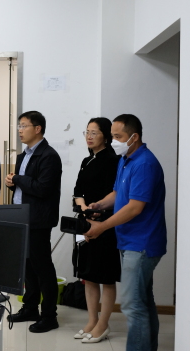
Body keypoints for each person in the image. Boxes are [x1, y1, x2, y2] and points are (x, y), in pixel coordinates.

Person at [85, 114, 167, 351]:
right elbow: (117, 194)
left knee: (132, 305)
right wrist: (99, 205)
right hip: (129, 241)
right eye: (112, 136)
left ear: (134, 137)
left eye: (118, 137)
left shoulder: (145, 164)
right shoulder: (126, 159)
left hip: (141, 244)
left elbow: (134, 207)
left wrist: (102, 227)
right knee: (143, 301)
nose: (114, 142)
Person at [5, 111, 62, 333]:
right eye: (19, 126)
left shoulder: (49, 156)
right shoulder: (23, 156)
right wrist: (12, 183)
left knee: (43, 268)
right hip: (22, 217)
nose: (20, 130)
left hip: (38, 220)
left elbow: (43, 188)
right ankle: (30, 308)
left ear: (37, 129)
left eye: (24, 126)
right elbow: (25, 187)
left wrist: (18, 179)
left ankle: (49, 315)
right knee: (27, 267)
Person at [72, 117, 121, 343]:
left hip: (104, 224)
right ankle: (92, 320)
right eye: (87, 132)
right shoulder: (86, 160)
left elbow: (115, 194)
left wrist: (95, 211)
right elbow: (78, 191)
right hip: (84, 221)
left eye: (94, 132)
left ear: (106, 136)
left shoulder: (114, 160)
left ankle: (103, 323)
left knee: (106, 276)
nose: (89, 137)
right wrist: (83, 208)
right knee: (88, 274)